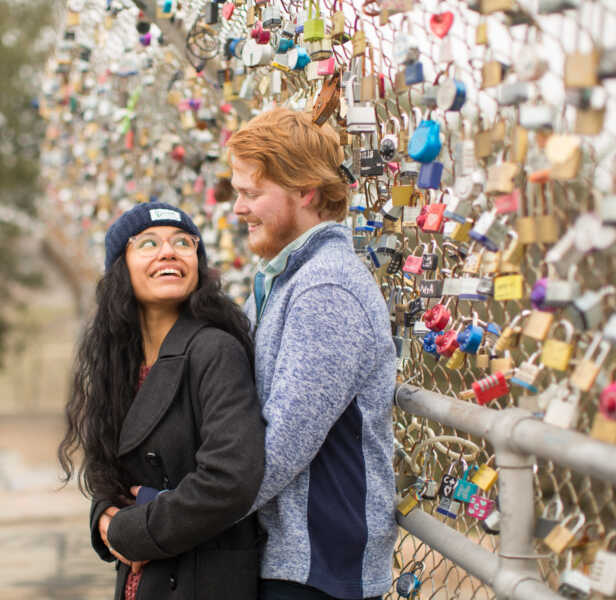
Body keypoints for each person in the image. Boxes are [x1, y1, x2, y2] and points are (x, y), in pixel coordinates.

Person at [227, 107, 398, 600]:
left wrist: (172, 518)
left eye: (252, 194)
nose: (238, 209)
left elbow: (280, 448)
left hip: (317, 569)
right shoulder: (284, 280)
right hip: (287, 558)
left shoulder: (326, 289)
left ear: (306, 191)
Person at [58, 202, 265, 600]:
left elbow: (229, 480)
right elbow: (112, 467)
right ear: (121, 267)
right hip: (143, 577)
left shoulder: (214, 350)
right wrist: (103, 515)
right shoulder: (119, 362)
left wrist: (133, 531)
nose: (168, 252)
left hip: (202, 576)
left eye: (183, 243)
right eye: (148, 243)